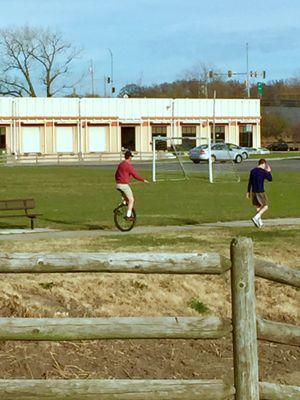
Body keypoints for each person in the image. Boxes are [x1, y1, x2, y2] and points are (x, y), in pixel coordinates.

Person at [115, 150, 148, 220]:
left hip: (118, 185)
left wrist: (117, 181)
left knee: (126, 200)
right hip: (124, 185)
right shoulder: (128, 166)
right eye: (131, 157)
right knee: (131, 200)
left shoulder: (121, 164)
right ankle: (128, 215)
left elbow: (116, 174)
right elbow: (135, 175)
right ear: (129, 157)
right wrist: (143, 180)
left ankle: (118, 209)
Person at [246, 158, 272, 228]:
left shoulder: (252, 171)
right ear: (263, 164)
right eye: (265, 165)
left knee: (258, 207)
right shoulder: (263, 171)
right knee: (265, 206)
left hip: (253, 191)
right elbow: (270, 179)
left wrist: (248, 191)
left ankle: (259, 223)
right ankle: (256, 217)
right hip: (260, 191)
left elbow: (250, 182)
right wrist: (268, 171)